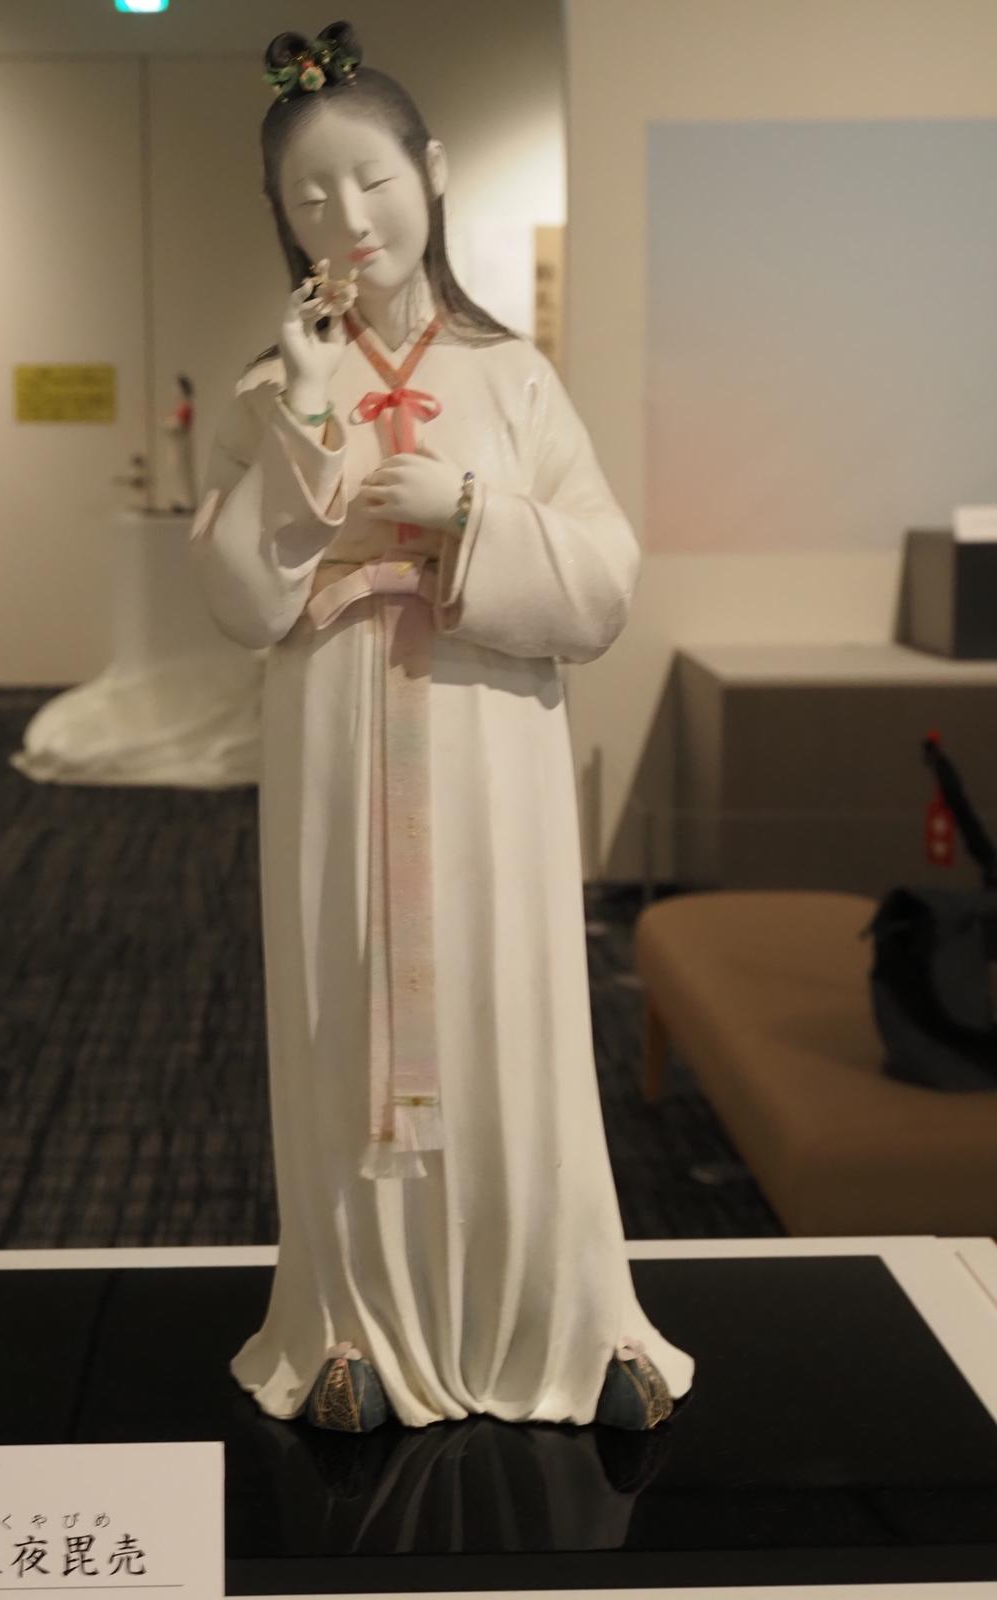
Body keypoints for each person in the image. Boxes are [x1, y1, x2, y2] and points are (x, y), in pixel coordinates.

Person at [191, 21, 696, 1431]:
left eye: (370, 180)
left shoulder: (515, 376)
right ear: (282, 218)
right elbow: (238, 598)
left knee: (511, 1010)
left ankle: (569, 1320)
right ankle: (348, 1327)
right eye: (309, 197)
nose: (347, 218)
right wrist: (305, 418)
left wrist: (468, 514)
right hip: (334, 744)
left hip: (489, 747)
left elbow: (601, 581)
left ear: (433, 171)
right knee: (342, 1001)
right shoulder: (267, 389)